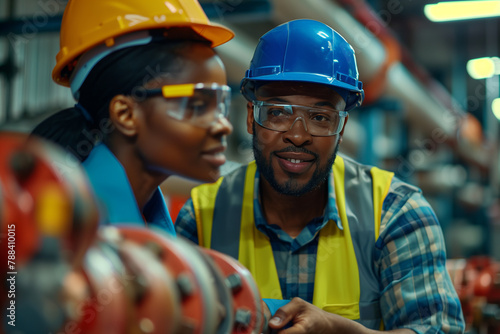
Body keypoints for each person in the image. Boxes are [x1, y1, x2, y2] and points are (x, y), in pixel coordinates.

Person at [175, 19, 465, 333]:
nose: (297, 136)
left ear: (341, 128)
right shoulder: (203, 216)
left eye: (319, 117)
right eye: (278, 112)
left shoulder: (396, 212)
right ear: (250, 118)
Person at [31, 0, 234, 235]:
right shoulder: (63, 232)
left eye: (221, 104)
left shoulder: (148, 223)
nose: (224, 126)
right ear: (125, 114)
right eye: (197, 105)